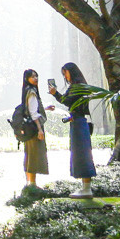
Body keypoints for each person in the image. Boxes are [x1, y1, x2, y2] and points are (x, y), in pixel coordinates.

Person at [47, 62, 97, 198]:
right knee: (79, 154)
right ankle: (85, 187)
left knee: (82, 154)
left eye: (66, 73)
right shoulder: (78, 86)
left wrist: (55, 93)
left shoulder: (78, 86)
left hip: (79, 123)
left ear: (72, 72)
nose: (65, 76)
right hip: (77, 122)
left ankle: (87, 189)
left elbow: (67, 101)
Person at [19, 69, 49, 187]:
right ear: (27, 79)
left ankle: (29, 183)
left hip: (28, 128)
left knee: (29, 154)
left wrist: (45, 108)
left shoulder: (26, 90)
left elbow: (31, 109)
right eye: (32, 77)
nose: (35, 78)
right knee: (34, 155)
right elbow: (33, 113)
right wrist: (40, 129)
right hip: (33, 129)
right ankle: (32, 184)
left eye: (36, 76)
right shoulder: (31, 91)